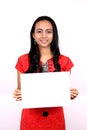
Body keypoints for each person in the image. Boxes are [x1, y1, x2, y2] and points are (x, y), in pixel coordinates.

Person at [13, 16, 78, 130]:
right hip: (30, 121)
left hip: (55, 120)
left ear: (54, 35)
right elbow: (21, 94)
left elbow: (62, 94)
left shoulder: (65, 61)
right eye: (39, 31)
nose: (44, 36)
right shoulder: (23, 60)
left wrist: (71, 95)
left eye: (48, 31)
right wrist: (18, 94)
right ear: (33, 35)